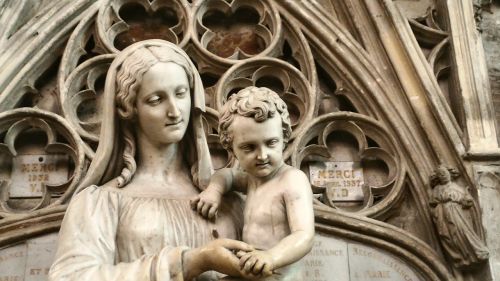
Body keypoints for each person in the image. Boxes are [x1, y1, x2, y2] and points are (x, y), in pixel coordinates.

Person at [49, 40, 251, 281]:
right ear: (129, 109)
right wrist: (190, 262)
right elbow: (71, 277)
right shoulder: (100, 203)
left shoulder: (230, 201)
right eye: (156, 100)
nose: (175, 111)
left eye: (181, 93)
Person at [191, 87, 315, 280]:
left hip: (278, 274)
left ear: (284, 138)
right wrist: (214, 191)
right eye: (249, 147)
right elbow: (227, 176)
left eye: (271, 143)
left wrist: (271, 257)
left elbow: (304, 236)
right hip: (251, 270)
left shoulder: (292, 180)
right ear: (230, 147)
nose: (262, 155)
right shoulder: (252, 179)